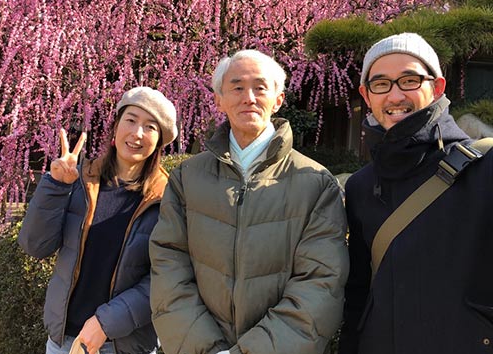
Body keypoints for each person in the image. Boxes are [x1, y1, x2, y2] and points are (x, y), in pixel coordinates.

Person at [339, 33, 493, 354]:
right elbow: (359, 293)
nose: (394, 95)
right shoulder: (361, 185)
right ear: (366, 94)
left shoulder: (492, 164)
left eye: (409, 80)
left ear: (437, 87)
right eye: (381, 84)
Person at [149, 49, 349, 354]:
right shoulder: (187, 178)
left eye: (260, 87)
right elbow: (168, 264)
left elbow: (320, 282)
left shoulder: (315, 183)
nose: (249, 97)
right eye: (237, 87)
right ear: (219, 99)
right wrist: (205, 349)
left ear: (278, 99)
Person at [18, 87, 178, 354]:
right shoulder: (80, 181)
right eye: (131, 120)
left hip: (123, 345)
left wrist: (105, 323)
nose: (137, 133)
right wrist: (55, 186)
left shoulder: (168, 200)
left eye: (150, 127)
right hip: (64, 340)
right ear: (115, 127)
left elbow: (164, 279)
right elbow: (36, 246)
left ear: (159, 142)